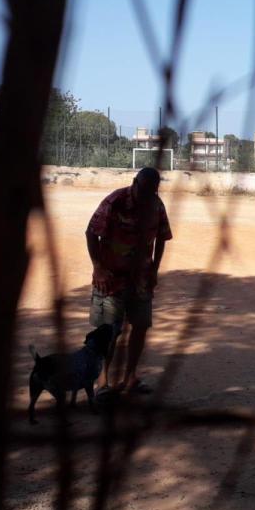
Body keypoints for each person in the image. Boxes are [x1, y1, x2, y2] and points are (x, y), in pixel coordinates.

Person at [85, 167, 171, 395]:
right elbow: (91, 232)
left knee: (141, 326)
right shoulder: (115, 201)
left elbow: (162, 237)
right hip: (111, 279)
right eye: (143, 190)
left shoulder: (156, 205)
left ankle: (130, 377)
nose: (146, 196)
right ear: (134, 182)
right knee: (110, 331)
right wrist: (98, 268)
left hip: (141, 279)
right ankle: (102, 382)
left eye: (152, 191)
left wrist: (155, 269)